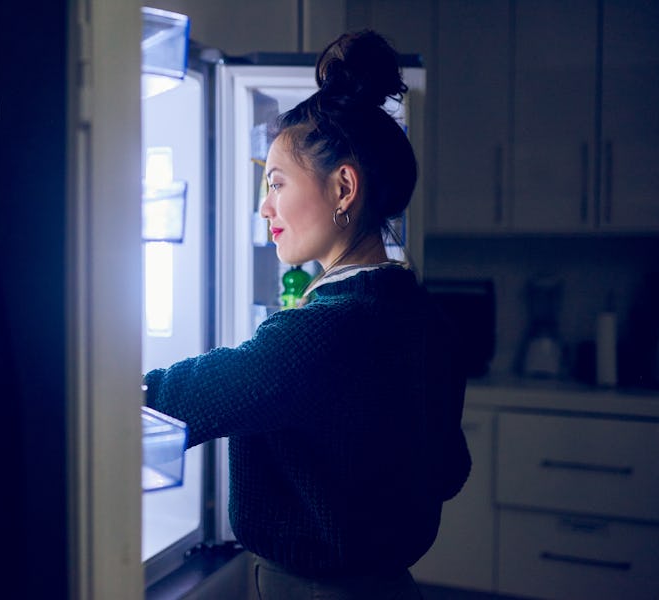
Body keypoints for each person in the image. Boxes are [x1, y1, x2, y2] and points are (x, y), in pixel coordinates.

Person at [144, 29, 471, 600]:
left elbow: (181, 399)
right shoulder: (424, 319)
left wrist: (95, 399)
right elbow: (450, 470)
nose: (263, 207)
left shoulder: (316, 334)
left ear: (344, 187)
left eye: (275, 183)